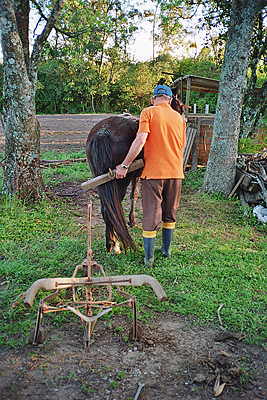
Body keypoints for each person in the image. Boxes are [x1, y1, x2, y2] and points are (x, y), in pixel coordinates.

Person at [116, 85, 186, 267]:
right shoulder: (180, 118)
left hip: (154, 174)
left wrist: (124, 165)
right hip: (176, 174)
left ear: (153, 99)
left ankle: (149, 259)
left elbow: (141, 140)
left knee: (150, 215)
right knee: (170, 214)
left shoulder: (148, 112)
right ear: (170, 101)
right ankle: (166, 250)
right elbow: (181, 147)